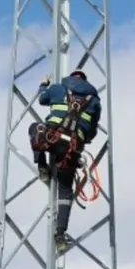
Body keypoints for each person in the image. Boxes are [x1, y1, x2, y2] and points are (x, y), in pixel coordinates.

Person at [27, 69, 101, 254]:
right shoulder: (94, 101)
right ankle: (60, 234)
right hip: (72, 149)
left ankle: (42, 167)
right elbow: (92, 132)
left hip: (51, 137)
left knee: (35, 129)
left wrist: (44, 84)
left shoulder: (58, 88)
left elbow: (43, 99)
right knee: (65, 191)